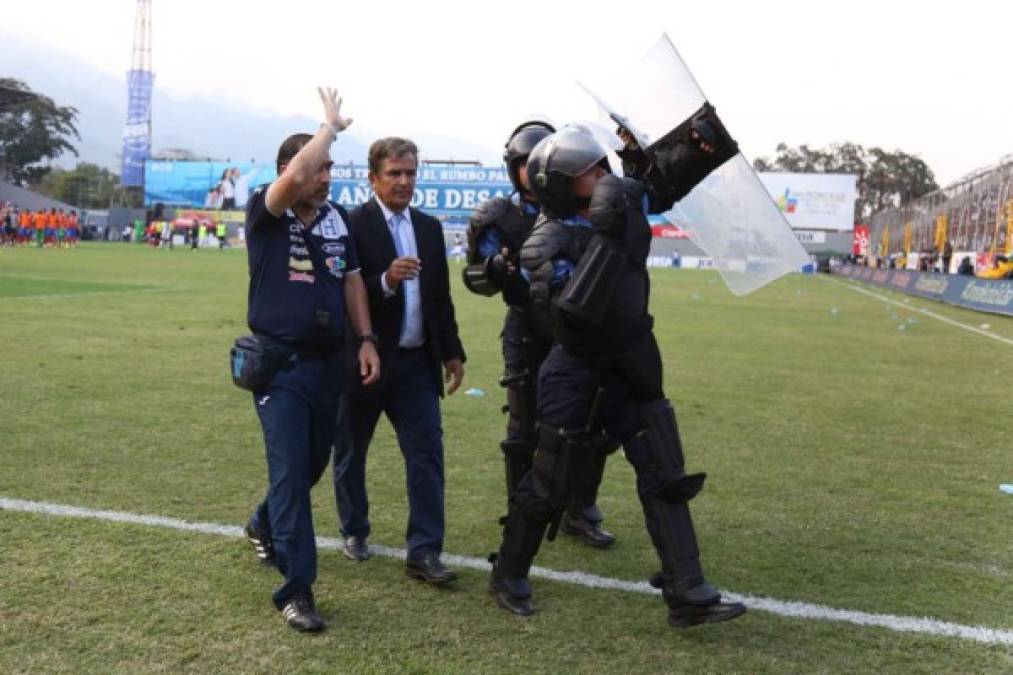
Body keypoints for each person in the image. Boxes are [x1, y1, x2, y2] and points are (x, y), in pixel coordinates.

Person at [488, 121, 746, 628]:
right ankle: (509, 572)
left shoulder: (621, 208)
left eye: (603, 165)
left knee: (664, 472)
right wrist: (609, 233)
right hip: (576, 370)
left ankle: (686, 589)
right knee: (548, 481)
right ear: (561, 185)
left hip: (632, 362)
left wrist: (697, 145)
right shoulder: (546, 242)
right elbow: (574, 314)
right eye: (589, 171)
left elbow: (661, 184)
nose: (603, 175)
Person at [240, 87, 380, 633]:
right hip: (280, 367)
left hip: (329, 366)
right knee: (292, 477)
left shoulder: (337, 220)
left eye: (330, 169)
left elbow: (351, 282)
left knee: (312, 467)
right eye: (319, 168)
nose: (324, 178)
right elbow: (296, 177)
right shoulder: (266, 211)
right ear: (291, 170)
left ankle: (260, 523)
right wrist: (328, 129)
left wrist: (366, 337)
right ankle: (296, 590)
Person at [462, 120, 616, 548]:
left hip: (577, 329)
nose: (531, 174)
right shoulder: (500, 215)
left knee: (590, 423)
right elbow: (476, 276)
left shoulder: (585, 211)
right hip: (527, 327)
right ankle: (521, 510)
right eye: (522, 165)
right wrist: (492, 269)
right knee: (524, 429)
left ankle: (580, 509)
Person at [331, 136, 466, 584]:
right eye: (395, 173)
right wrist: (385, 280)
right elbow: (342, 296)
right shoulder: (352, 224)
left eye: (410, 172)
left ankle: (424, 551)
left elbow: (440, 298)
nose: (405, 181)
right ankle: (354, 529)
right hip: (367, 362)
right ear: (373, 178)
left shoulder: (428, 228)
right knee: (352, 450)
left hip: (415, 365)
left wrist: (451, 351)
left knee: (427, 454)